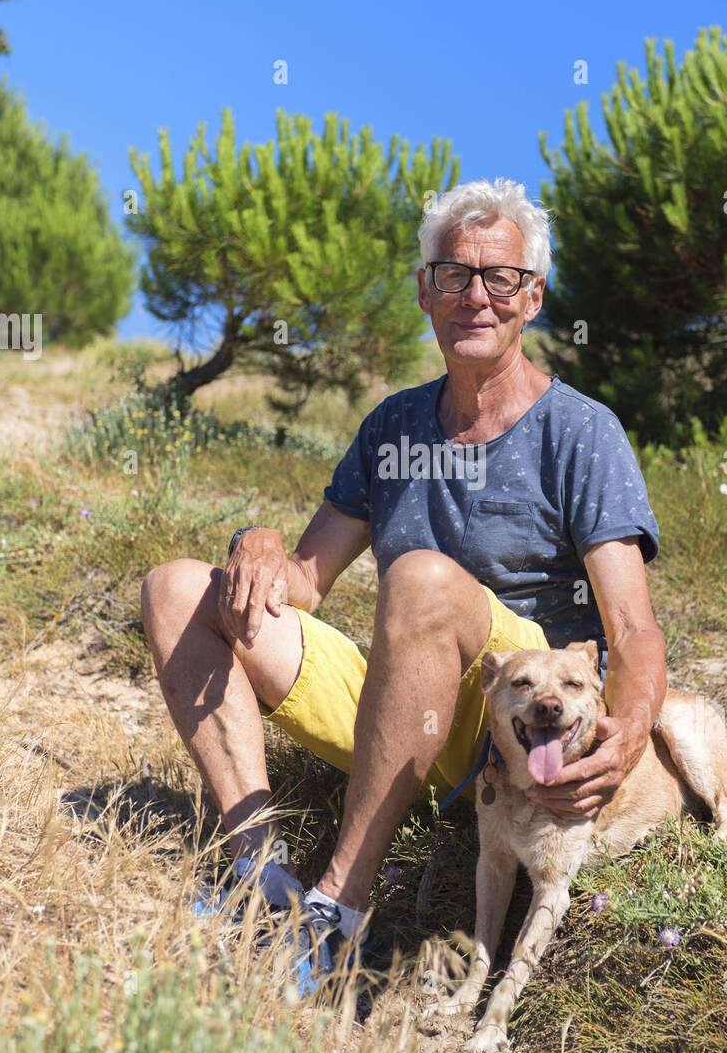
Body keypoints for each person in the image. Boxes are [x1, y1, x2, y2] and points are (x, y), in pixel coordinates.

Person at [141, 177, 665, 994]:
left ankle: (336, 914)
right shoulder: (392, 425)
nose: (476, 297)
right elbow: (303, 585)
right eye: (454, 274)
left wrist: (628, 737)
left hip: (524, 726)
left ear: (534, 297)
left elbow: (630, 631)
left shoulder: (583, 431)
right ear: (425, 291)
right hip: (406, 704)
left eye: (500, 278)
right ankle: (259, 876)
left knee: (418, 578)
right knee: (176, 588)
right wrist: (257, 539)